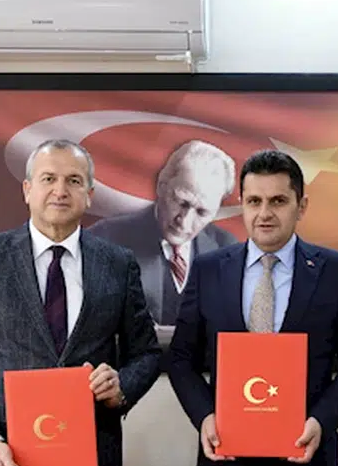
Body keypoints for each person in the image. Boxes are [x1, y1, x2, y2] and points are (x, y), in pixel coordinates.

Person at [0, 139, 162, 466]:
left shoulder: (117, 263)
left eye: (73, 180)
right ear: (27, 190)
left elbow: (147, 354)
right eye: (48, 179)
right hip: (5, 465)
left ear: (89, 195)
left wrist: (121, 387)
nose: (60, 190)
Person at [167, 149, 338, 466]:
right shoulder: (208, 269)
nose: (264, 213)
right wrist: (204, 417)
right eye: (254, 201)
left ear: (301, 206)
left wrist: (321, 420)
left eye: (278, 201)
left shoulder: (335, 271)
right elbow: (180, 358)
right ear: (242, 205)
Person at [87, 139, 239, 329]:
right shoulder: (105, 240)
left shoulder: (227, 250)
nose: (184, 221)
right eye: (181, 202)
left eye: (202, 212)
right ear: (161, 185)